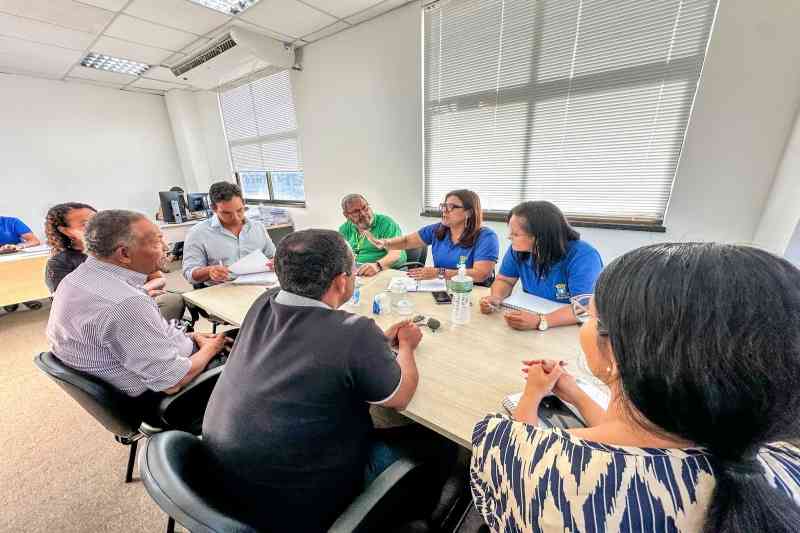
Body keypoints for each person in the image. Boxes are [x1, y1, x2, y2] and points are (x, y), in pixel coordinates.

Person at [471, 243, 800, 532]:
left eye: (591, 316)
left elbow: (519, 449)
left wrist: (532, 394)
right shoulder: (784, 466)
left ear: (614, 349)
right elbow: (642, 438)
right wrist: (573, 392)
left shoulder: (514, 449)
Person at [203, 229, 438, 531]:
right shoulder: (355, 331)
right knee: (435, 444)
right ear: (342, 281)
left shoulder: (264, 301)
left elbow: (308, 350)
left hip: (225, 480)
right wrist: (406, 346)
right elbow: (401, 395)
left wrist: (373, 344)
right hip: (300, 499)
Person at [46, 210, 227, 426]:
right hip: (171, 399)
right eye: (157, 241)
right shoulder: (125, 303)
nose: (166, 247)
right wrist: (212, 348)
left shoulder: (76, 280)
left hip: (139, 372)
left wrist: (190, 337)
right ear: (124, 254)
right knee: (258, 355)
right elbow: (173, 381)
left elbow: (128, 339)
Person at [44, 202, 185, 323]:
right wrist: (135, 295)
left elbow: (158, 278)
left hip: (139, 300)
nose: (95, 226)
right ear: (65, 231)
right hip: (104, 314)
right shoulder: (60, 264)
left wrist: (140, 294)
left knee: (171, 301)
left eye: (97, 220)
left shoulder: (117, 249)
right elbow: (73, 307)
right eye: (85, 224)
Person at [479, 201, 603, 331]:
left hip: (570, 327)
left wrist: (542, 321)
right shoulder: (517, 250)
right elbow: (504, 280)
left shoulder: (584, 256)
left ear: (539, 237)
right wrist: (496, 298)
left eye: (515, 234)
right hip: (532, 314)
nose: (509, 237)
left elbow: (584, 309)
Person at [366, 189, 499, 284]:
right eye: (444, 206)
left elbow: (481, 274)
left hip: (472, 291)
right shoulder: (437, 229)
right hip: (442, 288)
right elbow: (406, 241)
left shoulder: (486, 237)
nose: (444, 211)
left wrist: (438, 273)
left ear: (469, 212)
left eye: (451, 207)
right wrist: (384, 243)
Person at [182, 181, 275, 286]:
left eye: (239, 210)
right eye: (227, 213)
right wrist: (209, 271)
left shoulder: (257, 227)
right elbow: (189, 273)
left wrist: (275, 263)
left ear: (243, 203)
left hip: (259, 285)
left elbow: (273, 256)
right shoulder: (198, 233)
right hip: (222, 289)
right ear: (214, 209)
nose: (235, 217)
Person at [339, 194, 406, 276]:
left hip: (383, 271)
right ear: (346, 215)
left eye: (365, 208)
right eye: (356, 211)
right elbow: (340, 256)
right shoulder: (345, 229)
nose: (363, 214)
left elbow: (396, 254)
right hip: (358, 273)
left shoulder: (386, 223)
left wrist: (378, 265)